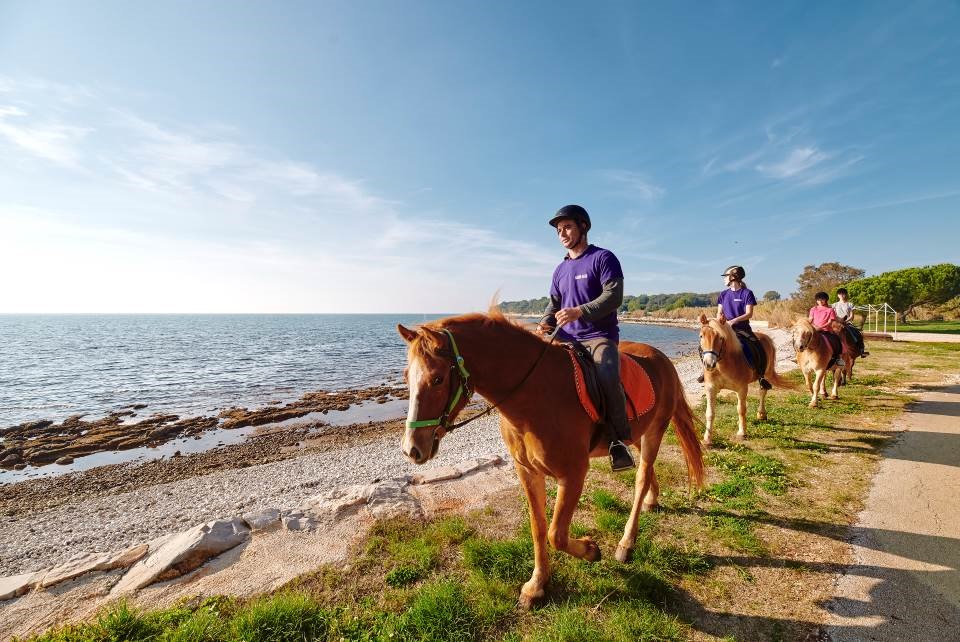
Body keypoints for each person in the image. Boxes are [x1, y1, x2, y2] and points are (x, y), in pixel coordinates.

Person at [537, 204, 635, 471]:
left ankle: (618, 441)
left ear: (583, 227)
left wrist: (580, 311)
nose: (562, 233)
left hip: (597, 336)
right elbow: (554, 303)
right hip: (564, 338)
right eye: (559, 230)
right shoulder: (560, 270)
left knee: (606, 373)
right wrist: (545, 322)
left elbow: (613, 296)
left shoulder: (603, 258)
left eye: (567, 227)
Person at [698, 265, 772, 389]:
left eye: (726, 276)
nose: (724, 279)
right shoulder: (723, 294)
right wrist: (717, 323)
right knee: (705, 345)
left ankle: (760, 375)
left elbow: (749, 313)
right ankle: (705, 370)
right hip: (725, 328)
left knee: (756, 345)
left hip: (742, 328)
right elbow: (719, 313)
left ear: (733, 277)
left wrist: (733, 321)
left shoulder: (747, 293)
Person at [832, 288, 868, 357]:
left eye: (843, 294)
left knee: (858, 333)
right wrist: (838, 320)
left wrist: (846, 321)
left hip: (847, 323)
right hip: (837, 323)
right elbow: (833, 315)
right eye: (840, 294)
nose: (842, 295)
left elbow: (852, 316)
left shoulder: (850, 304)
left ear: (846, 295)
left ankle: (861, 350)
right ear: (838, 295)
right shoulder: (834, 305)